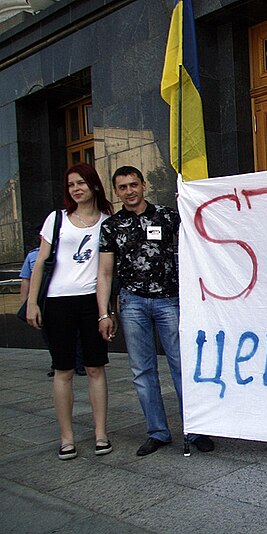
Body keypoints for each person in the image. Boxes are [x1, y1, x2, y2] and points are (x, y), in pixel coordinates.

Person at [96, 166, 214, 456]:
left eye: (133, 184)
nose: (129, 191)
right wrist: (104, 313)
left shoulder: (167, 216)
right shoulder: (111, 227)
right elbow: (105, 273)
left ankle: (196, 429)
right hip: (132, 302)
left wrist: (189, 198)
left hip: (169, 300)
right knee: (142, 370)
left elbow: (197, 238)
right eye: (122, 187)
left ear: (144, 185)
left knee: (181, 365)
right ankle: (158, 431)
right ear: (116, 191)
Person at [26, 163, 114, 460]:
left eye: (81, 183)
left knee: (95, 368)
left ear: (94, 186)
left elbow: (107, 271)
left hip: (91, 302)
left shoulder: (107, 221)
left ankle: (101, 433)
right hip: (58, 302)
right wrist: (32, 303)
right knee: (63, 370)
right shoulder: (56, 219)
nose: (76, 189)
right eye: (71, 185)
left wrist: (106, 311)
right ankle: (67, 438)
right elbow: (40, 262)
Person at [20, 228, 87, 378]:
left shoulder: (64, 252)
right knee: (49, 335)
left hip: (63, 298)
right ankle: (56, 363)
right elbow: (26, 279)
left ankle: (79, 363)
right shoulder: (32, 256)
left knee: (76, 334)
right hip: (42, 301)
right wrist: (26, 302)